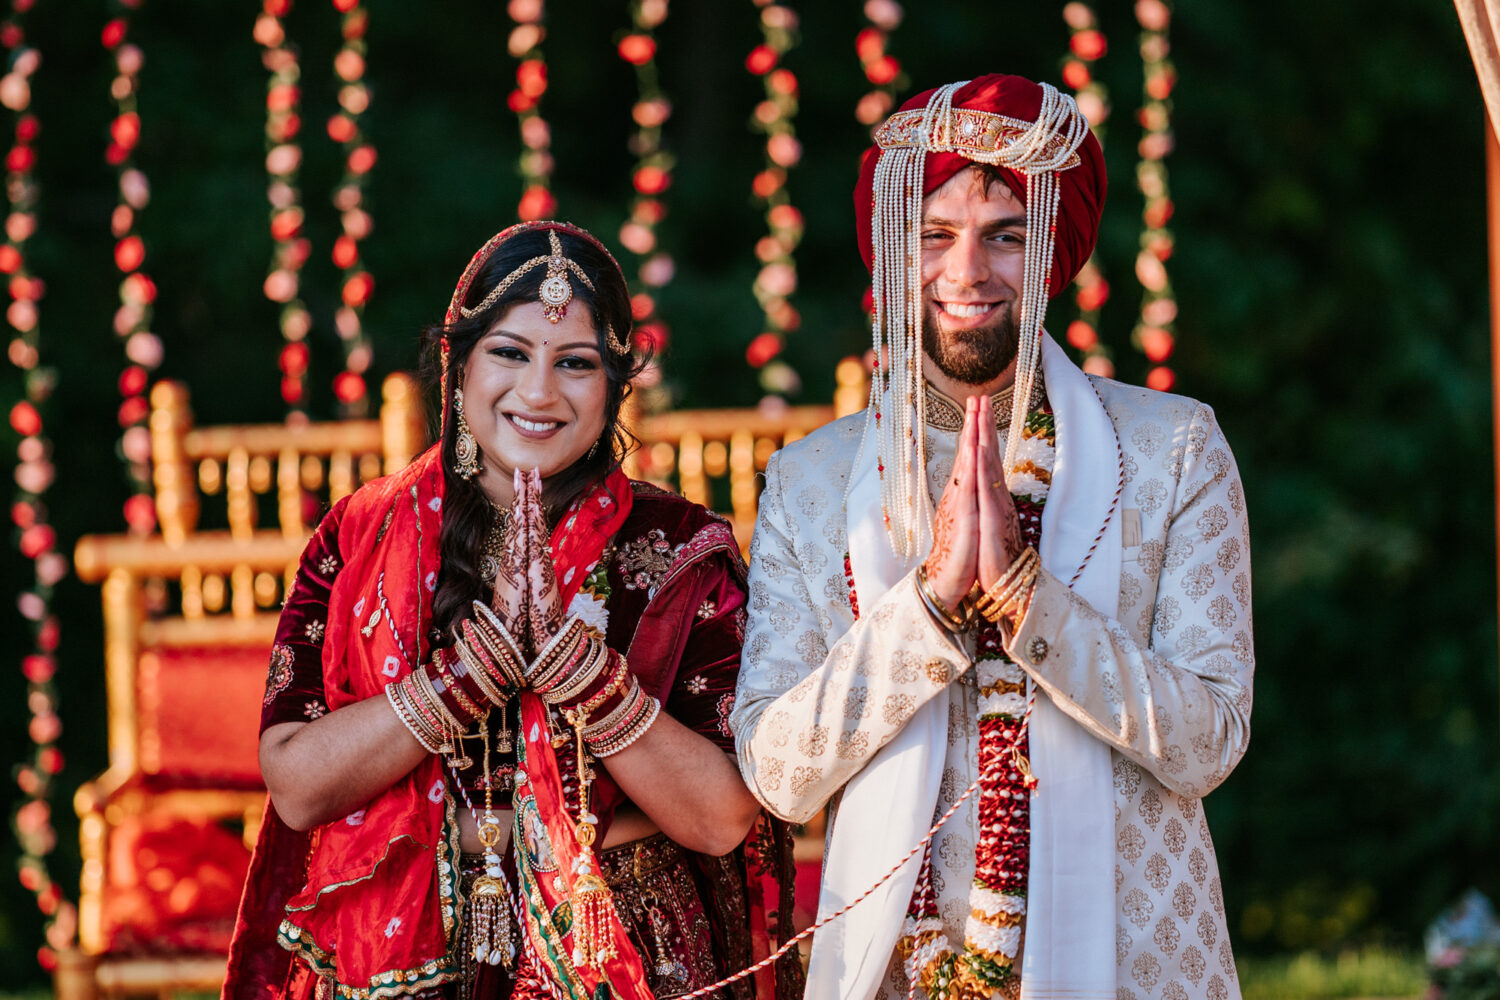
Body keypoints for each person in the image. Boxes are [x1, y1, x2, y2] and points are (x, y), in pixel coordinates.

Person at [731, 74, 1254, 1000]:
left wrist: (1029, 602)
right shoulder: (813, 485)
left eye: (1005, 234)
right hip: (898, 972)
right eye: (933, 235)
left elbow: (1210, 741)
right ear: (894, 251)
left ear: (1052, 252)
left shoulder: (1173, 451)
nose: (966, 271)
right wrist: (927, 609)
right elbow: (776, 773)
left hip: (1134, 968)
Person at [224, 221, 804, 1000]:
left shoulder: (678, 550)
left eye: (575, 363)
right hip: (401, 936)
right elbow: (297, 786)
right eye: (508, 353)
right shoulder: (362, 535)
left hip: (621, 941)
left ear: (615, 387)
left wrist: (575, 672)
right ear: (457, 367)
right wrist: (472, 671)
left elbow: (721, 817)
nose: (538, 392)